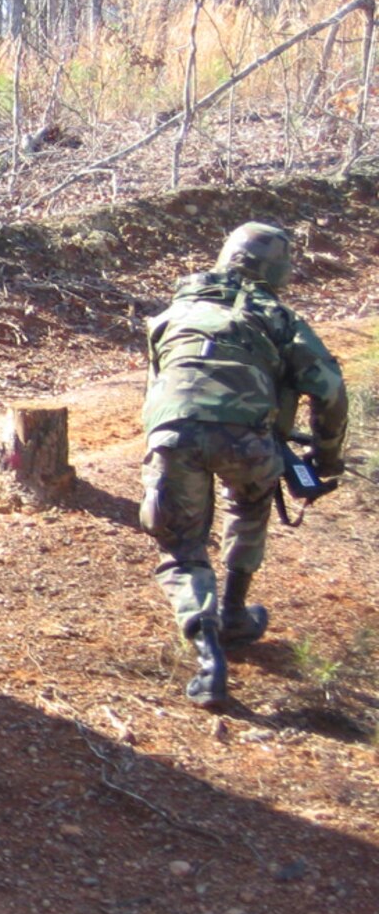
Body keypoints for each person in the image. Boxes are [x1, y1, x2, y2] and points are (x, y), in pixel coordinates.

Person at [140, 222, 347, 708]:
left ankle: (209, 658)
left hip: (174, 436)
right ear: (277, 270)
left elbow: (158, 390)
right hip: (249, 443)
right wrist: (326, 457)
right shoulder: (279, 317)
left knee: (182, 545)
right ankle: (233, 613)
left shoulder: (172, 313)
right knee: (249, 504)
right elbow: (329, 389)